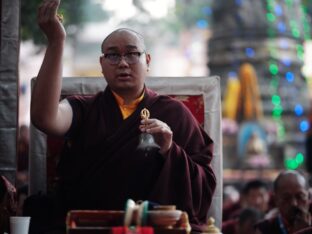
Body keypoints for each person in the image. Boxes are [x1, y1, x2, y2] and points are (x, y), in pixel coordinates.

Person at [30, 0, 216, 233]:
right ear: (101, 63)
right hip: (92, 227)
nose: (123, 63)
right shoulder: (84, 108)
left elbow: (205, 183)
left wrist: (170, 150)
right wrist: (57, 42)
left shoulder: (175, 113)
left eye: (131, 54)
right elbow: (44, 118)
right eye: (113, 56)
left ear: (147, 61)